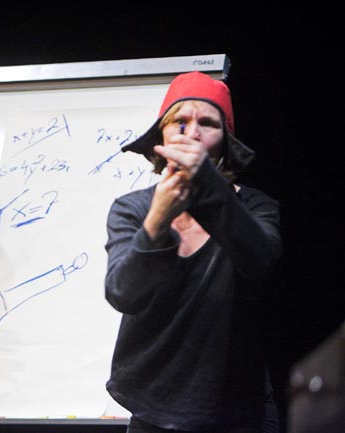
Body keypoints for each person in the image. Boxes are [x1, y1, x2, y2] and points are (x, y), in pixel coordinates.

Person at [104, 71, 282, 433]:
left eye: (208, 123)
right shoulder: (132, 209)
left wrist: (208, 185)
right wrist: (157, 219)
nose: (193, 133)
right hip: (154, 409)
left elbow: (260, 261)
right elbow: (123, 293)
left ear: (225, 142)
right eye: (180, 122)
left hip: (237, 409)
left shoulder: (255, 207)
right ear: (162, 136)